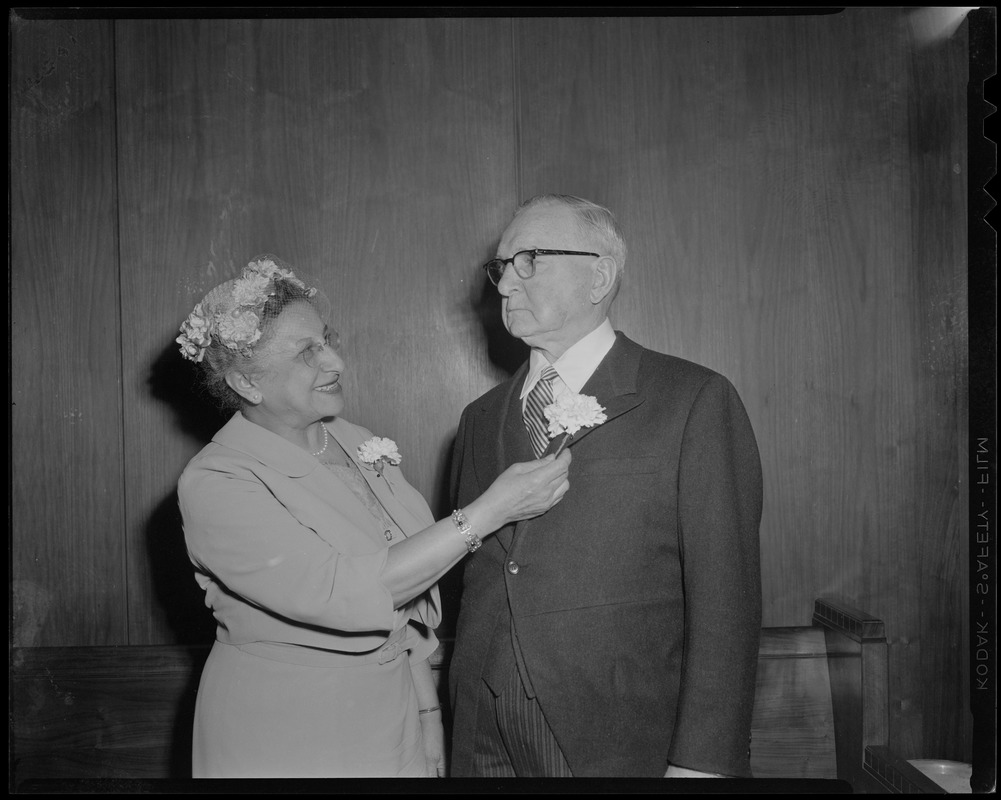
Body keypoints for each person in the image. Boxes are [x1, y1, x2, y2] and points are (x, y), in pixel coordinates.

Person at [174, 255, 570, 778]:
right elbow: (345, 593)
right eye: (307, 353)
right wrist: (489, 511)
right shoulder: (218, 482)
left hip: (392, 717)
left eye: (328, 339)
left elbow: (405, 611)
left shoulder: (356, 441)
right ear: (247, 384)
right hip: (287, 727)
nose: (335, 360)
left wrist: (429, 715)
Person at [448, 195, 763, 778]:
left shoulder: (693, 400)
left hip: (610, 737)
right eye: (501, 266)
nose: (505, 285)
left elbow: (727, 597)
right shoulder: (481, 417)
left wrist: (702, 763)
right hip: (478, 730)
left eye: (530, 260)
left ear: (600, 275)